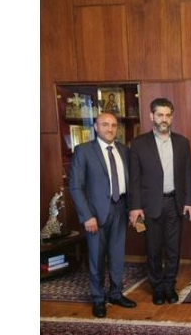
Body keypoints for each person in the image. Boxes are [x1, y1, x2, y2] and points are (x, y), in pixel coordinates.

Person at [69, 112, 137, 318]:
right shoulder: (83, 151)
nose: (110, 129)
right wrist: (86, 216)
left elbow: (131, 183)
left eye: (114, 125)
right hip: (95, 215)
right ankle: (98, 299)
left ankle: (115, 294)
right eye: (105, 124)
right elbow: (76, 187)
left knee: (117, 256)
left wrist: (133, 208)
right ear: (96, 127)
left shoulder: (124, 150)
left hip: (120, 209)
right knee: (96, 258)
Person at [129, 98, 191, 305]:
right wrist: (135, 207)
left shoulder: (182, 143)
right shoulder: (139, 144)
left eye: (167, 115)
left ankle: (169, 286)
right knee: (154, 249)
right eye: (160, 115)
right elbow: (134, 179)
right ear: (152, 116)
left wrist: (189, 201)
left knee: (174, 249)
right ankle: (157, 287)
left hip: (175, 203)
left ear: (172, 117)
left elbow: (187, 174)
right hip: (150, 206)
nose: (164, 119)